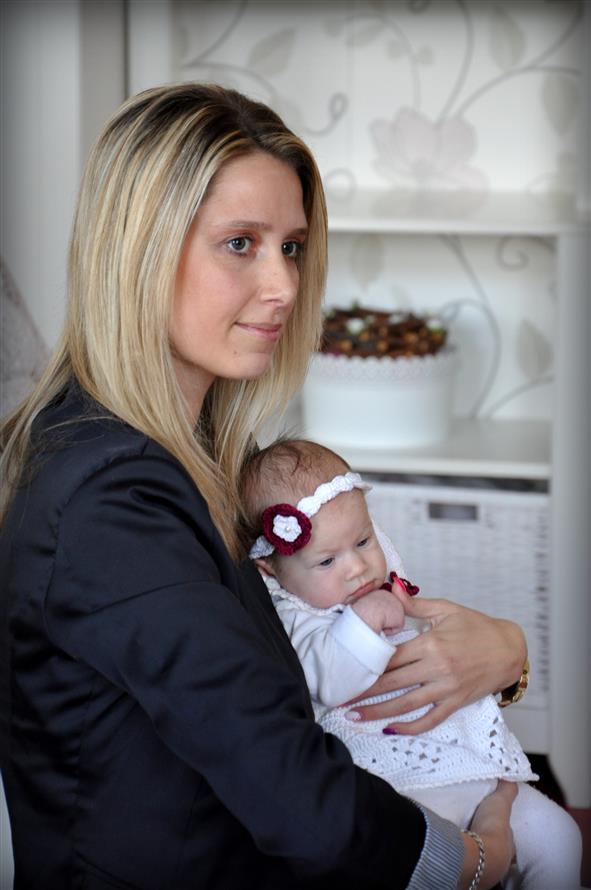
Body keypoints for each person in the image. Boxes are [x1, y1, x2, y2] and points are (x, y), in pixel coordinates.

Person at [0, 82, 525, 890]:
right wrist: (473, 863)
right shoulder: (111, 499)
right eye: (240, 243)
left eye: (291, 246)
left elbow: (316, 652)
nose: (283, 285)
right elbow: (296, 795)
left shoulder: (198, 455)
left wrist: (505, 655)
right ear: (137, 252)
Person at [241, 438, 583, 889]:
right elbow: (329, 680)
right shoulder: (295, 617)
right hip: (403, 785)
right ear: (270, 569)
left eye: (364, 541)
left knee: (561, 836)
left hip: (468, 763)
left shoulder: (372, 577)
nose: (357, 567)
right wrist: (364, 622)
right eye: (326, 560)